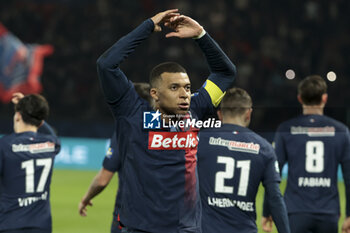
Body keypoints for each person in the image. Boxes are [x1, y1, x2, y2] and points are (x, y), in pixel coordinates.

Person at [96, 9, 236, 233]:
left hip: (185, 229)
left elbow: (225, 72)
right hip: (141, 229)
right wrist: (148, 26)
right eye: (174, 87)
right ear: (154, 94)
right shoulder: (132, 113)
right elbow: (106, 65)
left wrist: (201, 35)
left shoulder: (196, 110)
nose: (185, 94)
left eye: (188, 88)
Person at [262, 75, 350, 233]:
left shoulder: (286, 129)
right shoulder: (341, 131)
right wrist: (349, 214)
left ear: (300, 98)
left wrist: (267, 211)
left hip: (296, 211)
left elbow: (273, 173)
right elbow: (349, 176)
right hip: (328, 213)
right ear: (324, 98)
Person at [197, 88, 290, 233]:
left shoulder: (199, 141)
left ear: (220, 114)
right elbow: (275, 197)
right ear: (249, 113)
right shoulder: (264, 147)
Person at [78, 83, 152, 233]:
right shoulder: (169, 130)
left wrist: (86, 197)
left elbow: (102, 180)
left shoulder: (126, 130)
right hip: (161, 215)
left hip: (128, 214)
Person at [0, 93, 61, 233]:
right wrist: (36, 114)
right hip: (41, 226)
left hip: (10, 224)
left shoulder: (4, 146)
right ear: (40, 123)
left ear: (18, 116)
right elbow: (51, 133)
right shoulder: (51, 144)